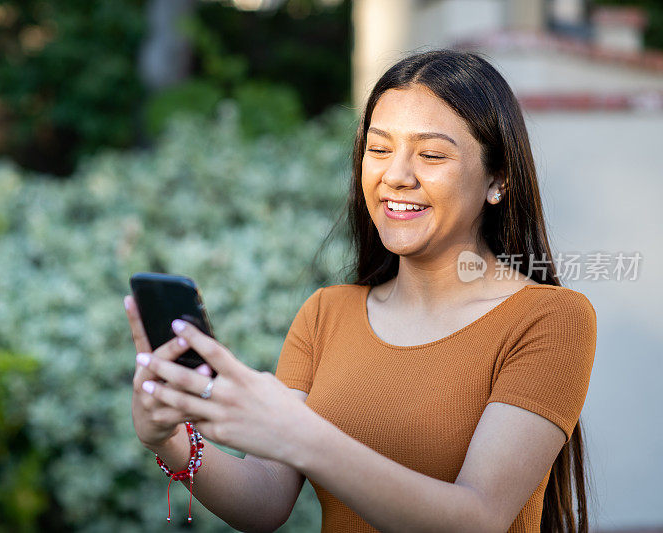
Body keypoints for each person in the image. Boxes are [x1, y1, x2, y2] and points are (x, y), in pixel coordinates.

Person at [124, 49, 597, 533]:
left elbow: (477, 519)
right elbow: (265, 499)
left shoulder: (551, 319)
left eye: (431, 154)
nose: (396, 175)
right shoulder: (326, 314)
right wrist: (173, 441)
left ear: (498, 179)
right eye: (379, 149)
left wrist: (302, 436)